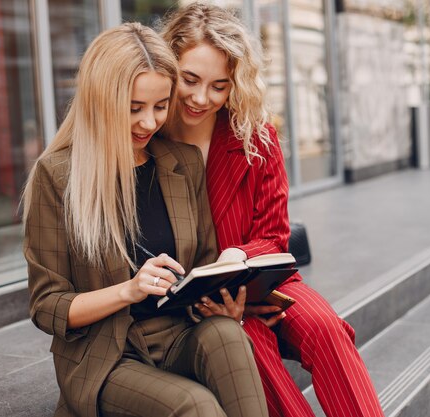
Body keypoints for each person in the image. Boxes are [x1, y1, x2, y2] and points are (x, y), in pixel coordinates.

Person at [21, 22, 268, 417]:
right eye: (134, 108)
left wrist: (220, 299)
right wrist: (130, 290)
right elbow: (47, 306)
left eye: (160, 105)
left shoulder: (182, 162)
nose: (150, 123)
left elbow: (204, 259)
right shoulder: (58, 176)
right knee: (197, 406)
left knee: (227, 335)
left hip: (180, 333)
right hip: (107, 355)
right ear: (102, 101)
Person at [160, 4, 385, 417]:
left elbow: (275, 234)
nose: (200, 98)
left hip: (262, 279)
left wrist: (240, 257)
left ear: (235, 84)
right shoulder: (149, 136)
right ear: (169, 64)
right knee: (249, 341)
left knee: (327, 329)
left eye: (219, 86)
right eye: (189, 79)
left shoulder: (254, 134)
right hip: (196, 302)